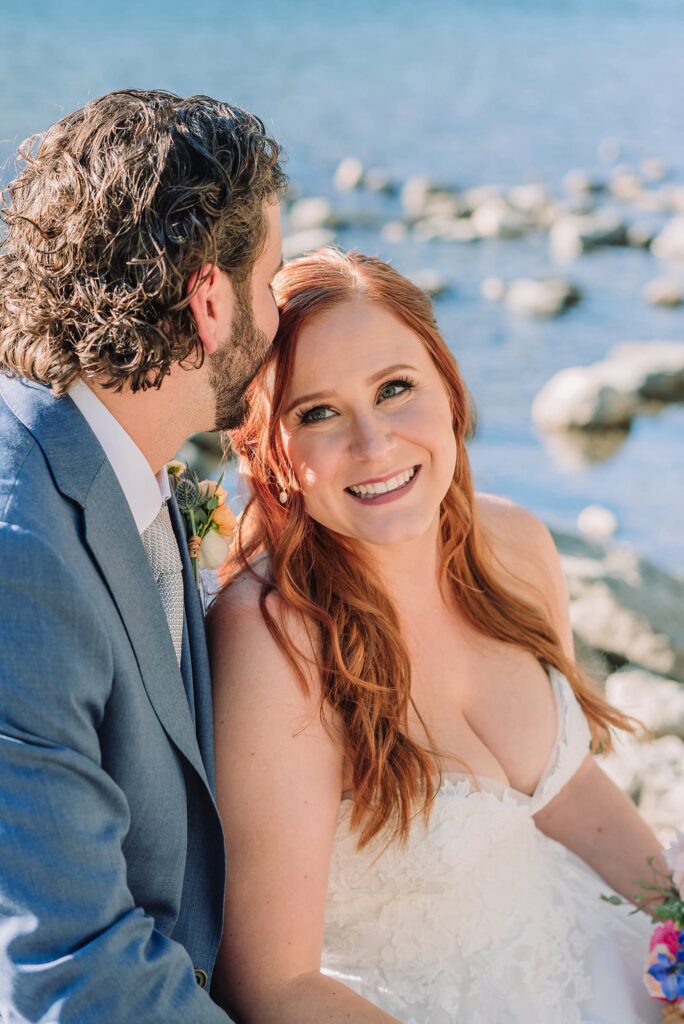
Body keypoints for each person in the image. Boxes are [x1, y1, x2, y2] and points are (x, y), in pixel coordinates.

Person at [208, 247, 668, 1024]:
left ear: (448, 389)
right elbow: (272, 986)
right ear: (270, 453)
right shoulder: (275, 639)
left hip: (589, 964)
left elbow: (568, 789)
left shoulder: (516, 546)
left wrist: (678, 928)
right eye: (316, 412)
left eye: (395, 389)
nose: (375, 443)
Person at [0, 88, 285, 1022]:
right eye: (272, 283)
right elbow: (72, 973)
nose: (277, 319)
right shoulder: (20, 553)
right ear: (210, 299)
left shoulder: (119, 463)